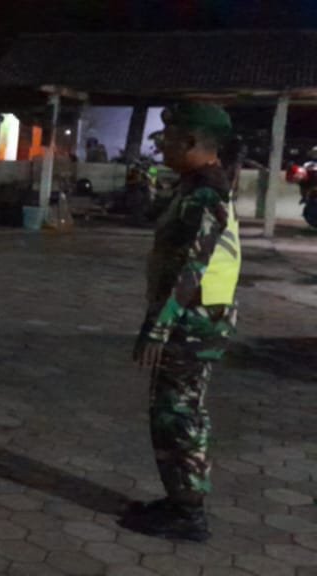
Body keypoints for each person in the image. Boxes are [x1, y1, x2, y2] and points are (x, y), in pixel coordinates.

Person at [121, 103, 241, 542]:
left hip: (193, 320)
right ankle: (180, 501)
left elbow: (191, 266)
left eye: (168, 138)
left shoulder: (206, 193)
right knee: (178, 409)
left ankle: (188, 512)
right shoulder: (198, 184)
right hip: (197, 317)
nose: (162, 146)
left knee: (178, 413)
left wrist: (158, 327)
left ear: (191, 142)